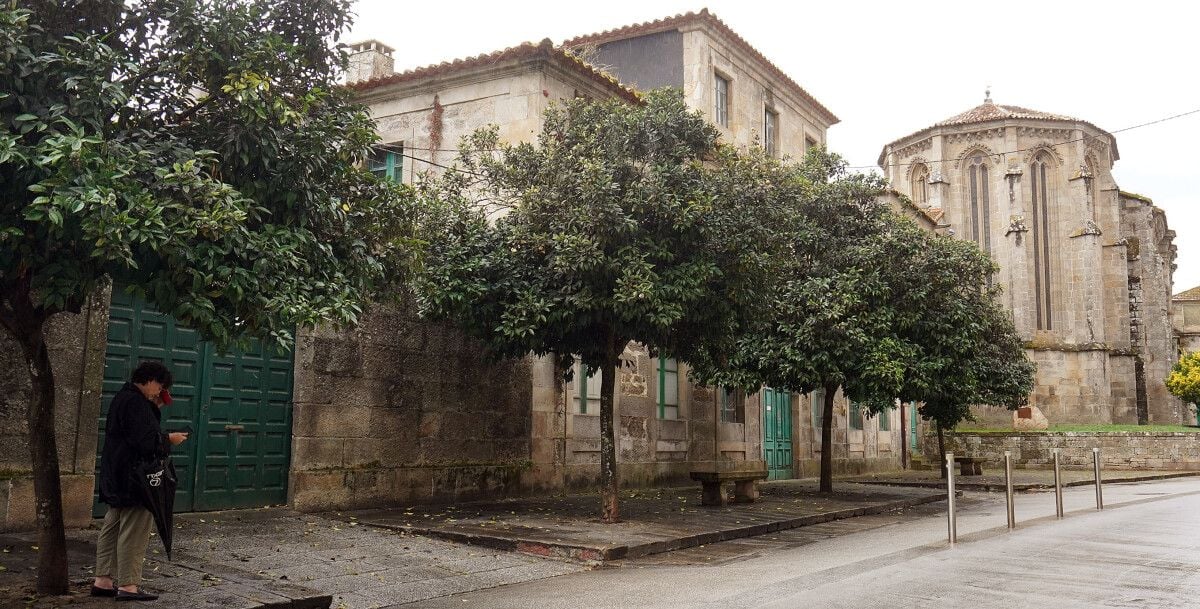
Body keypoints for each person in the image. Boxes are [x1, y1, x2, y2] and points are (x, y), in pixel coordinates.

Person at [91, 361, 188, 602]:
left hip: (118, 475)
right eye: (160, 386)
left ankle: (103, 580)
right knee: (133, 532)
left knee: (112, 527)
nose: (160, 391)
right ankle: (128, 585)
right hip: (137, 481)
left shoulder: (123, 398)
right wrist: (169, 440)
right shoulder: (135, 403)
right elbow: (146, 442)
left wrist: (153, 406)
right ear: (150, 380)